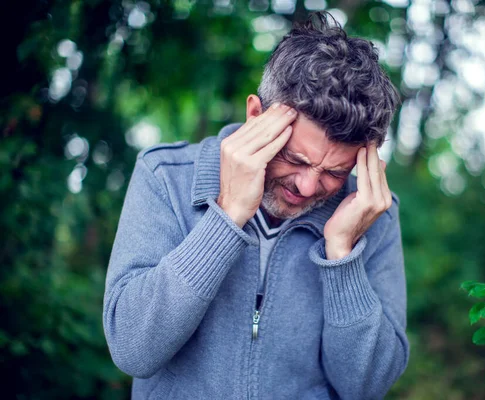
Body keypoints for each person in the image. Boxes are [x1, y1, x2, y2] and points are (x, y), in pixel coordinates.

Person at [103, 11, 409, 400]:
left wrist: (342, 257)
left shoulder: (376, 216)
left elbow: (366, 387)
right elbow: (132, 348)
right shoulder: (166, 176)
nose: (308, 185)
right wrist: (227, 216)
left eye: (334, 171)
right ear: (255, 115)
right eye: (296, 159)